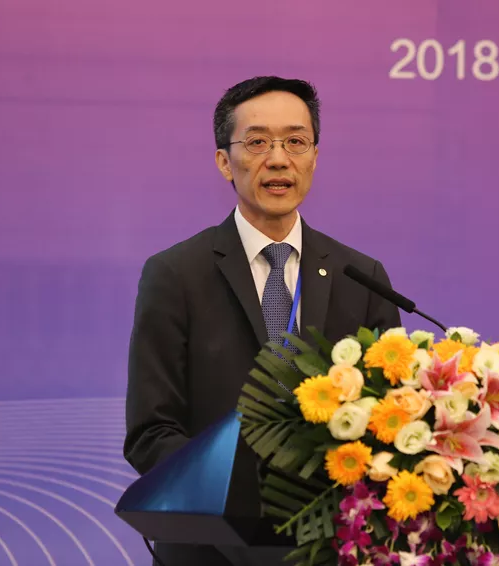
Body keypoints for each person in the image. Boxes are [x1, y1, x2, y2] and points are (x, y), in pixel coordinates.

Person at [123, 76, 402, 566]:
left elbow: (391, 416)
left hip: (333, 547)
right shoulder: (175, 274)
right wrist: (234, 505)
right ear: (223, 161)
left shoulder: (361, 277)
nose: (278, 159)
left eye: (296, 142)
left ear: (315, 156)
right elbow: (151, 431)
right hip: (210, 551)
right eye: (257, 142)